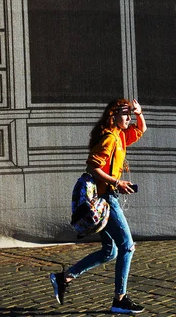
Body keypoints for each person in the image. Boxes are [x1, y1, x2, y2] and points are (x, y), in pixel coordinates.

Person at [50, 98, 147, 314]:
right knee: (127, 246)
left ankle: (64, 278)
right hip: (106, 199)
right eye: (125, 114)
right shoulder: (110, 138)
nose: (129, 118)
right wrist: (116, 182)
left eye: (129, 114)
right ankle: (119, 299)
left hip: (109, 196)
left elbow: (141, 129)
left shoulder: (121, 135)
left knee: (109, 251)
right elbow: (93, 167)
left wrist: (139, 113)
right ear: (113, 116)